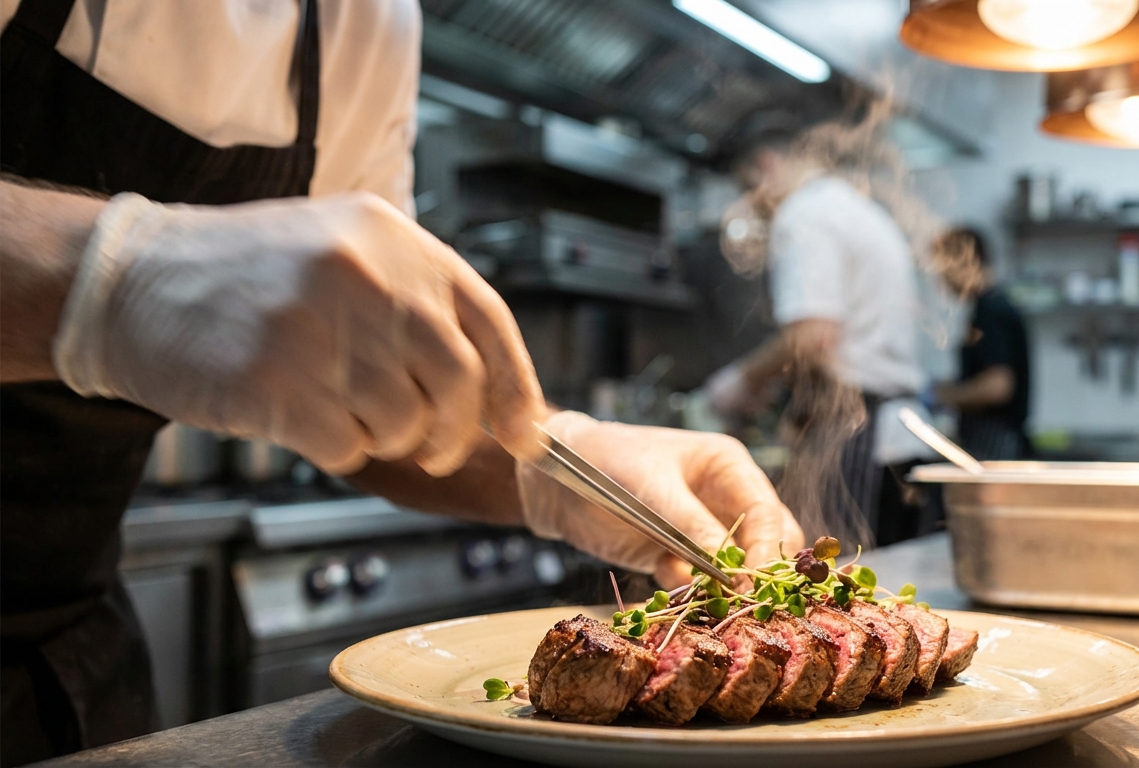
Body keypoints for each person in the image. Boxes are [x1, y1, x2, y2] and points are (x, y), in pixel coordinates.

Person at [0, 2, 802, 763]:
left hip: (64, 646)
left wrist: (557, 464)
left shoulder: (365, 20)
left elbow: (384, 403)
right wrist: (109, 278)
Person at [704, 124, 935, 548]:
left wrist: (742, 380)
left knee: (840, 586)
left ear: (766, 165)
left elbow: (812, 335)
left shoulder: (805, 214)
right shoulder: (855, 208)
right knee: (880, 593)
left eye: (747, 189)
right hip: (896, 436)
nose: (754, 209)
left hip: (857, 434)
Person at [931, 228, 1032, 461]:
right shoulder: (992, 305)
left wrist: (943, 396)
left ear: (962, 260)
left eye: (943, 268)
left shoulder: (990, 310)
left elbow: (998, 386)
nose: (942, 279)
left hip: (994, 443)